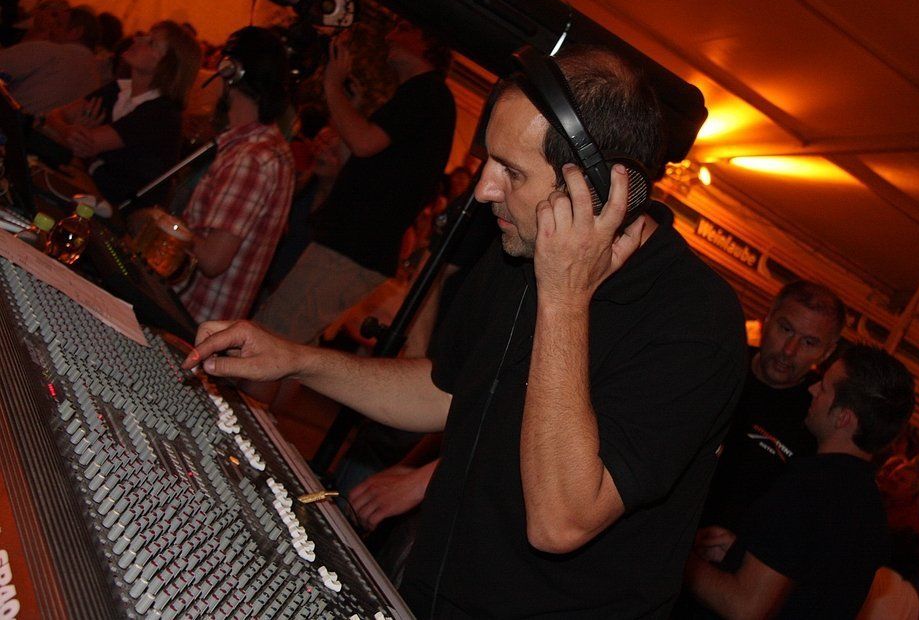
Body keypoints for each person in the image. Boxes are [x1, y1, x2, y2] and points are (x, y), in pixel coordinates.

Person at [183, 45, 747, 616]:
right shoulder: (519, 246)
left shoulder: (696, 321)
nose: (483, 189)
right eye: (489, 162)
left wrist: (563, 296)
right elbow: (446, 390)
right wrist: (297, 360)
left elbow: (562, 521)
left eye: (512, 171)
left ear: (597, 190)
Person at [253, 18, 456, 345]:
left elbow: (363, 142)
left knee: (272, 334)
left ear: (428, 43)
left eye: (404, 28)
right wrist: (354, 107)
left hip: (354, 246)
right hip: (355, 247)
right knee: (294, 342)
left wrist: (332, 84)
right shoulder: (422, 96)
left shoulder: (427, 92)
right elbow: (361, 155)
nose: (390, 36)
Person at [685, 344, 916, 619]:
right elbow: (809, 587)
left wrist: (679, 557)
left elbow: (745, 607)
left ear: (843, 417)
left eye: (824, 388)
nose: (812, 389)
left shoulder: (811, 486)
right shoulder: (869, 506)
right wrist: (742, 552)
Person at [698, 279, 845, 530]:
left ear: (828, 352)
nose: (789, 350)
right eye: (785, 329)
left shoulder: (816, 420)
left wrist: (744, 543)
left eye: (809, 342)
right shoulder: (718, 364)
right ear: (767, 319)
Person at [176, 26, 295, 323]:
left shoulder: (252, 158)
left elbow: (213, 260)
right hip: (198, 317)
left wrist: (167, 227)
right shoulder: (263, 146)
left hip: (190, 318)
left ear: (231, 71)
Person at [43, 20, 201, 205]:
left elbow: (86, 144)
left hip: (120, 208)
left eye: (151, 43)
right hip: (92, 193)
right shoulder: (119, 90)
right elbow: (54, 117)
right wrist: (69, 131)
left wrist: (70, 132)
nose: (137, 39)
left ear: (166, 66)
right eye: (144, 36)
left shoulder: (162, 113)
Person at [0, 5, 100, 114]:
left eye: (58, 24)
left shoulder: (51, 51)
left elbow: (3, 64)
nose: (51, 29)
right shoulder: (96, 81)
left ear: (75, 32)